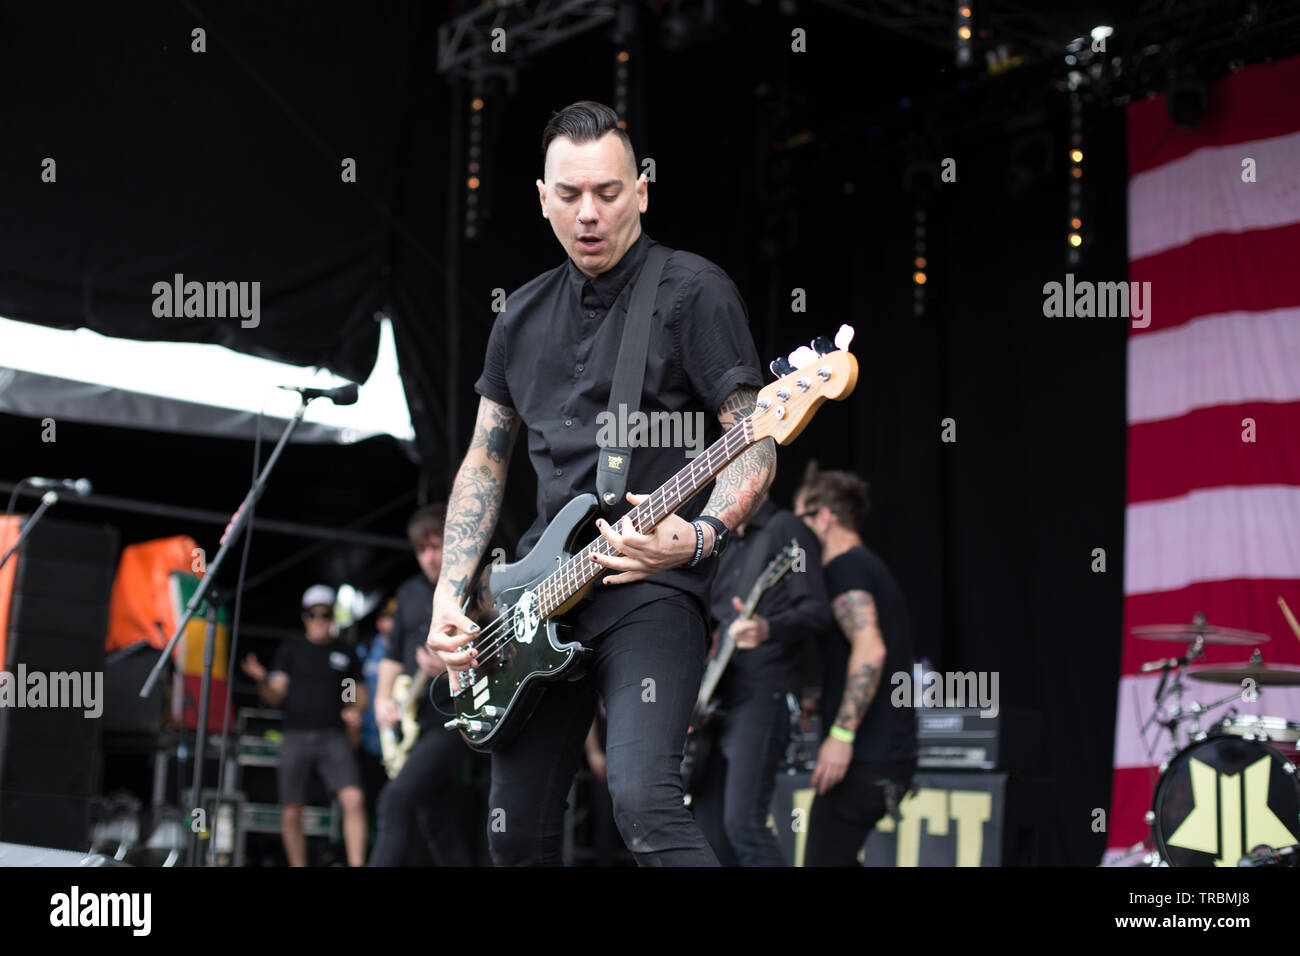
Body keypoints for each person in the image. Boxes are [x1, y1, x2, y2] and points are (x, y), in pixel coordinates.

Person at [425, 100, 776, 866]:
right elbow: (486, 457)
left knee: (643, 802)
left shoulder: (693, 292)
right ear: (542, 198)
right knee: (514, 838)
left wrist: (702, 534)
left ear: (642, 191)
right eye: (571, 194)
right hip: (537, 598)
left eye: (609, 193)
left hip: (647, 584)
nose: (590, 213)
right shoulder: (516, 316)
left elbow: (753, 438)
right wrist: (452, 593)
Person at [691, 491, 829, 865]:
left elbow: (816, 610)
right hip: (717, 699)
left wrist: (768, 628)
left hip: (763, 693)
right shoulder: (722, 541)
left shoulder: (786, 529)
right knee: (707, 830)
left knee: (743, 824)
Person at [793, 463, 918, 866]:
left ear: (824, 518)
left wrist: (842, 734)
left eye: (802, 520)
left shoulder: (846, 567)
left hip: (868, 754)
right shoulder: (864, 566)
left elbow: (871, 650)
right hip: (881, 753)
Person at [369, 504, 477, 866]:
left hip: (455, 718)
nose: (430, 557)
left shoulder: (473, 586)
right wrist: (382, 699)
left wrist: (451, 665)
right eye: (422, 549)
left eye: (437, 545)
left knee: (394, 800)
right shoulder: (409, 593)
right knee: (437, 822)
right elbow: (393, 656)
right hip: (417, 719)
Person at [240, 585, 368, 866]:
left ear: (333, 615)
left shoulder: (345, 652)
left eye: (325, 614)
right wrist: (262, 678)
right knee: (291, 810)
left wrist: (354, 711)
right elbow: (276, 695)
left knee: (354, 799)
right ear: (304, 616)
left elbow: (358, 694)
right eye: (314, 614)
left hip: (333, 736)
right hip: (296, 735)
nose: (320, 619)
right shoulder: (292, 648)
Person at [356, 597, 396, 816]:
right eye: (389, 617)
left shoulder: (412, 648)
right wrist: (351, 705)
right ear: (380, 623)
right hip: (369, 740)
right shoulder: (366, 649)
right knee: (367, 801)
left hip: (401, 739)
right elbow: (349, 681)